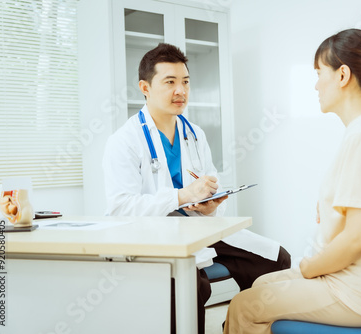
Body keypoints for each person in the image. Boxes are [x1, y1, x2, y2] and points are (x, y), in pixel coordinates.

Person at [223, 28, 361, 333]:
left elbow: (358, 238)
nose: (316, 85)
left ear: (342, 75)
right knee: (262, 282)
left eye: (319, 73)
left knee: (244, 307)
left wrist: (309, 266)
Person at [102, 43, 290, 334]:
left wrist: (212, 203)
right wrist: (182, 195)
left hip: (198, 226)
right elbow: (120, 208)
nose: (181, 91)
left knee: (276, 259)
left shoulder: (194, 134)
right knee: (193, 286)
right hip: (155, 235)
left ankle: (238, 326)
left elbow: (210, 184)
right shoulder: (124, 141)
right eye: (170, 82)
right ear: (145, 87)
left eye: (185, 82)